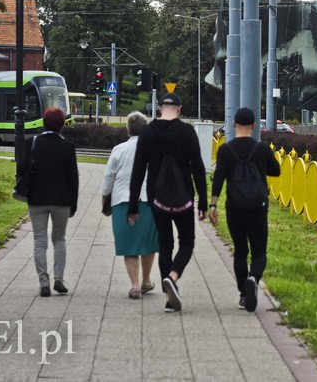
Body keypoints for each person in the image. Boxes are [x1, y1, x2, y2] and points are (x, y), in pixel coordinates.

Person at [128, 93, 209, 313]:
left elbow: (138, 170)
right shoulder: (187, 132)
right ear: (179, 109)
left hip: (158, 199)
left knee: (165, 245)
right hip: (183, 199)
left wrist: (133, 205)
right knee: (187, 243)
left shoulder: (146, 133)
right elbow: (198, 168)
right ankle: (173, 277)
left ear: (159, 107)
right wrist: (203, 201)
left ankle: (168, 298)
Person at [209, 107, 281, 312]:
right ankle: (253, 278)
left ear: (233, 125)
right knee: (259, 253)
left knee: (240, 251)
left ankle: (243, 295)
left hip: (235, 207)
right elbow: (276, 171)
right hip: (258, 207)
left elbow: (219, 179)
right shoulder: (262, 148)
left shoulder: (225, 150)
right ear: (254, 126)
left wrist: (213, 204)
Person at [19, 107, 79, 297]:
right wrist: (73, 204)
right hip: (61, 199)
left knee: (39, 240)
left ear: (44, 123)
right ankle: (59, 279)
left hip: (36, 198)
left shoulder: (32, 143)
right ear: (62, 125)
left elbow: (21, 169)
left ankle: (43, 282)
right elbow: (73, 178)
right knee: (59, 238)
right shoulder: (67, 146)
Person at [100, 111, 159, 299]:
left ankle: (134, 284)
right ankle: (146, 281)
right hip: (149, 201)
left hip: (122, 202)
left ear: (128, 130)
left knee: (129, 244)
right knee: (148, 243)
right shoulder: (154, 149)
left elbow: (109, 177)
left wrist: (105, 200)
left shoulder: (118, 150)